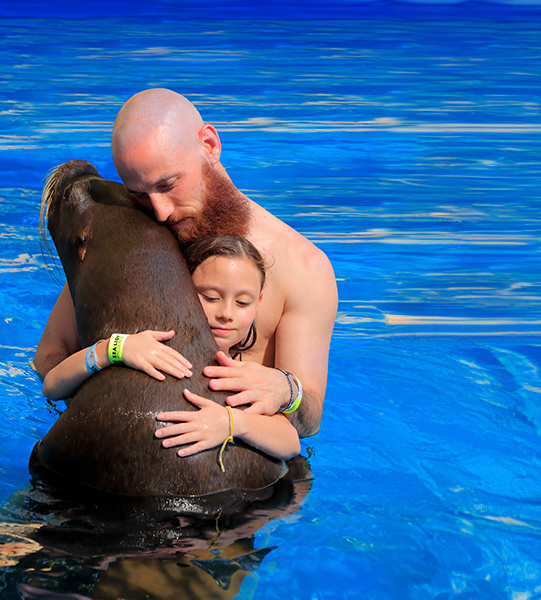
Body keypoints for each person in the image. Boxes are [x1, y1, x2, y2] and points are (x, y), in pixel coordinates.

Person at [34, 88, 337, 438]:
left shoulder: (303, 268)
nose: (160, 211)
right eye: (140, 195)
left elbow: (310, 419)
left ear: (209, 145)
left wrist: (287, 391)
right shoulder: (136, 240)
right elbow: (50, 356)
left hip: (239, 463)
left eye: (168, 184)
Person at [42, 235, 300, 461]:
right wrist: (114, 348)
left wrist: (232, 423)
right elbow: (52, 387)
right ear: (182, 291)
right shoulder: (146, 345)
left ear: (258, 303)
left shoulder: (242, 374)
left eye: (243, 303)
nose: (226, 313)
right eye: (210, 297)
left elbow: (290, 442)